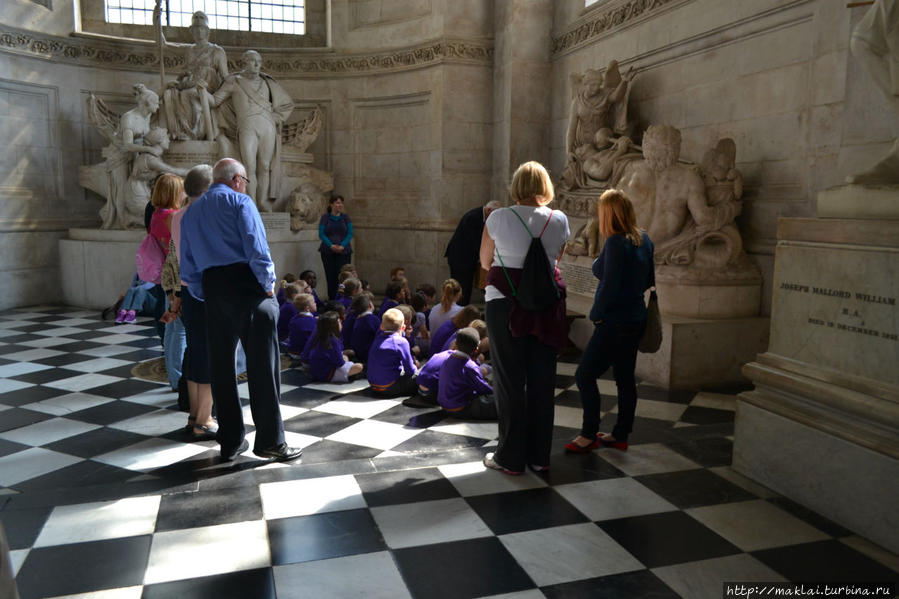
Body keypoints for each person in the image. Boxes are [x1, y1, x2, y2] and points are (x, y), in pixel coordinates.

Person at [179, 157, 301, 461]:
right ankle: (270, 441)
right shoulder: (240, 202)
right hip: (247, 286)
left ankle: (231, 440)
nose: (244, 185)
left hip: (212, 289)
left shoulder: (191, 212)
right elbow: (257, 248)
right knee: (264, 365)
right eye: (244, 180)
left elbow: (188, 261)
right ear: (237, 180)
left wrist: (202, 291)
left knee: (221, 366)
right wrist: (268, 286)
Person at [480, 161, 570, 474]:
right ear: (545, 187)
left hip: (505, 305)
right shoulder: (559, 220)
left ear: (516, 186)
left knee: (509, 381)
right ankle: (539, 457)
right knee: (543, 381)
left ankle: (510, 458)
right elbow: (555, 260)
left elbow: (484, 261)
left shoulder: (499, 217)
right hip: (546, 306)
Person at [567, 189, 654, 453]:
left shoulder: (616, 243)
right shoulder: (645, 240)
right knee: (625, 379)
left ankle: (588, 433)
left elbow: (607, 283)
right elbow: (648, 278)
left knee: (584, 374)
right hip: (636, 317)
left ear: (609, 215)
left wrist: (596, 315)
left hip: (614, 321)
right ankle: (620, 434)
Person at [159, 164, 218, 440]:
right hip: (204, 291)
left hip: (187, 291)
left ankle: (194, 413)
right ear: (207, 189)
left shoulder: (179, 215)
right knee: (207, 354)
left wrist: (177, 298)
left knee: (195, 352)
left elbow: (175, 258)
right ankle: (204, 419)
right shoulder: (202, 214)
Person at [207, 50, 294, 208]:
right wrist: (200, 91)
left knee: (265, 166)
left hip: (268, 127)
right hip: (247, 126)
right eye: (252, 61)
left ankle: (262, 202)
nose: (256, 65)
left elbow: (287, 104)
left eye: (259, 62)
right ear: (244, 63)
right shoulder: (234, 81)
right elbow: (214, 101)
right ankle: (251, 201)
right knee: (249, 165)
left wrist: (277, 118)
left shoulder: (268, 83)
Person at [154, 10, 229, 141]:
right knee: (170, 94)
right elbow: (163, 45)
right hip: (187, 85)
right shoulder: (188, 49)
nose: (199, 30)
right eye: (196, 27)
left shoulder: (217, 51)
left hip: (206, 88)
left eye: (202, 27)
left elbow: (225, 77)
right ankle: (177, 131)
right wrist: (156, 21)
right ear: (191, 30)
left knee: (189, 95)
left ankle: (192, 133)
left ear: (207, 30)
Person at [149, 173, 185, 391]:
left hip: (165, 276)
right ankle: (179, 379)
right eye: (181, 189)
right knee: (179, 330)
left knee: (172, 329)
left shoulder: (156, 214)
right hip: (175, 277)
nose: (184, 193)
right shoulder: (173, 216)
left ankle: (175, 377)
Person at [444, 201, 501, 305]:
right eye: (494, 215)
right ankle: (459, 314)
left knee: (464, 289)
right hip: (460, 261)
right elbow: (477, 242)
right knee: (462, 290)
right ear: (488, 210)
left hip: (464, 260)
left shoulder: (479, 215)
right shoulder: (474, 218)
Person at [437, 327, 496, 420]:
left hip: (444, 406)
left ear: (456, 343)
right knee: (500, 400)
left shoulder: (446, 359)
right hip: (460, 408)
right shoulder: (470, 366)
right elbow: (484, 389)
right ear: (476, 349)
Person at [367, 308, 419, 398]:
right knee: (420, 377)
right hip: (389, 387)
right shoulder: (401, 342)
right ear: (403, 327)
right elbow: (410, 370)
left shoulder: (378, 338)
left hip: (373, 385)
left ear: (381, 326)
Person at [301, 311, 362, 383]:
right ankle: (350, 375)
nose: (341, 323)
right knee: (359, 366)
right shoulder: (333, 340)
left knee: (345, 357)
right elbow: (340, 363)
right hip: (327, 374)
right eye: (339, 321)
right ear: (334, 326)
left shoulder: (321, 336)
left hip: (317, 372)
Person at [317, 195, 354, 300]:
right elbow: (321, 234)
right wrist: (331, 245)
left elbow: (350, 233)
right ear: (331, 204)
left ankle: (343, 299)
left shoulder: (346, 218)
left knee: (343, 277)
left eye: (341, 203)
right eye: (337, 203)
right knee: (331, 277)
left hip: (344, 251)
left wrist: (342, 245)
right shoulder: (325, 218)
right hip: (328, 251)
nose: (340, 205)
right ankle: (332, 300)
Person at [348, 292, 379, 362]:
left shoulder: (357, 319)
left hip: (358, 353)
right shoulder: (373, 319)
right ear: (370, 305)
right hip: (370, 354)